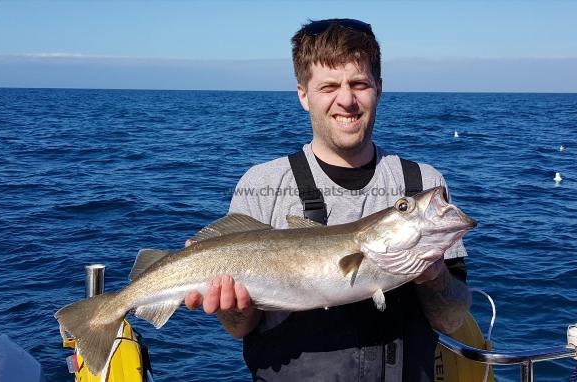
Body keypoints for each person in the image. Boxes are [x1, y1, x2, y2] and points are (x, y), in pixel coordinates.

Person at [184, 18, 472, 381]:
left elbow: (453, 317)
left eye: (360, 84)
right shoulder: (262, 184)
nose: (347, 100)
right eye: (329, 86)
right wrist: (229, 307)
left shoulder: (423, 183)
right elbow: (239, 328)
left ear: (379, 89)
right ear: (303, 94)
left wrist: (432, 273)